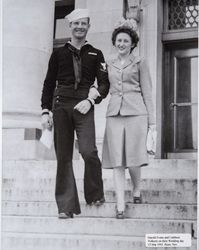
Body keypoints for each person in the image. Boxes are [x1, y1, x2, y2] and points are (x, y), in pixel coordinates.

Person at [41, 9, 110, 219]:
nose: (79, 27)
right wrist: (45, 111)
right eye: (76, 23)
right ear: (70, 26)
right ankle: (66, 206)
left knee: (89, 151)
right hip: (61, 103)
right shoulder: (58, 54)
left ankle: (95, 193)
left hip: (84, 104)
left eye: (84, 23)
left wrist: (91, 100)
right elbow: (48, 83)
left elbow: (105, 84)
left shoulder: (96, 53)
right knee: (63, 156)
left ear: (88, 26)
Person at [102, 18, 156, 219]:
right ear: (114, 42)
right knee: (117, 161)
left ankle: (136, 189)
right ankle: (120, 205)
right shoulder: (108, 63)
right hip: (114, 114)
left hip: (136, 113)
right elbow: (103, 87)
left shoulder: (141, 62)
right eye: (119, 40)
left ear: (132, 43)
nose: (121, 44)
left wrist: (152, 123)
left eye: (125, 41)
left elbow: (147, 92)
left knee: (133, 159)